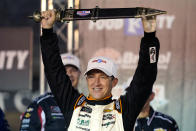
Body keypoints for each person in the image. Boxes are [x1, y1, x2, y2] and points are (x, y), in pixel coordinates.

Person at [40, 9, 160, 131]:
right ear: (86, 80)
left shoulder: (124, 110)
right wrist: (47, 31)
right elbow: (53, 70)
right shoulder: (74, 105)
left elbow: (146, 76)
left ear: (114, 82)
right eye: (91, 76)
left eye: (103, 77)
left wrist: (150, 37)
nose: (96, 82)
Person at [20, 53, 81, 131]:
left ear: (79, 73)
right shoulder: (41, 105)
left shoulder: (87, 104)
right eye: (64, 70)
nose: (69, 74)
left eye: (73, 70)